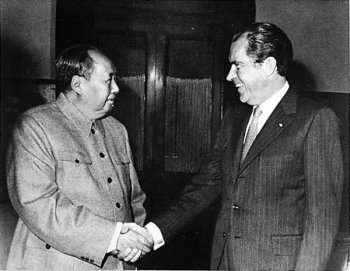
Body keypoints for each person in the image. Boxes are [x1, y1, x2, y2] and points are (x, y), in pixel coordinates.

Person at [144, 22, 344, 270]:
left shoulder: (315, 119)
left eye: (237, 65)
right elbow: (204, 187)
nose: (229, 76)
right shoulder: (233, 119)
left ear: (268, 66)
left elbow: (321, 222)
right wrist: (151, 234)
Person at [6, 44, 154, 270]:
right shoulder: (35, 127)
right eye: (108, 80)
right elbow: (38, 204)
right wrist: (113, 238)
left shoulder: (117, 130)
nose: (116, 88)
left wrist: (134, 244)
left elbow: (134, 200)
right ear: (78, 84)